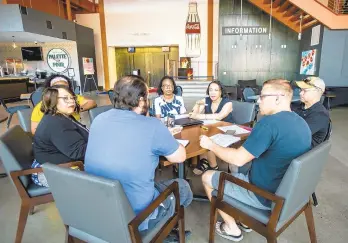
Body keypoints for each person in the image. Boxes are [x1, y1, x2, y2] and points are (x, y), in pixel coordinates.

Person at [200, 79, 311, 242]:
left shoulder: (268, 124)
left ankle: (231, 228)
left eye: (263, 96)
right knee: (238, 170)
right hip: (289, 194)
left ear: (278, 98)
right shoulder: (302, 123)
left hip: (263, 195)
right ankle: (245, 221)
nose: (258, 100)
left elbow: (238, 159)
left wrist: (211, 145)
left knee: (206, 177)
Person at [84, 75, 192, 240]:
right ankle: (161, 231)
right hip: (137, 218)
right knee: (183, 187)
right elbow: (180, 157)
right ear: (142, 100)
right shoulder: (152, 126)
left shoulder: (98, 120)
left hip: (99, 208)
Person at [32, 86, 89, 187]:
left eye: (72, 98)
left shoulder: (64, 116)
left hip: (63, 166)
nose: (71, 101)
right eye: (65, 98)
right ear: (52, 100)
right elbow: (78, 152)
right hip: (52, 173)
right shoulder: (55, 123)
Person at [190, 81, 233, 175]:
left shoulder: (228, 103)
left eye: (216, 90)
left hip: (226, 130)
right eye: (210, 90)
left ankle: (214, 167)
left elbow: (219, 116)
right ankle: (204, 161)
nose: (212, 93)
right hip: (212, 128)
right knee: (200, 135)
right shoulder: (206, 100)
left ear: (221, 91)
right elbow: (193, 115)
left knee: (208, 138)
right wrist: (197, 104)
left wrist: (201, 116)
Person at [31, 74, 96, 134]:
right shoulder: (41, 106)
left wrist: (78, 108)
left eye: (65, 87)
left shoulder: (73, 98)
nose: (71, 101)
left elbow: (92, 102)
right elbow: (35, 130)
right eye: (58, 88)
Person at [293, 77, 330, 147]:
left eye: (305, 90)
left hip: (303, 150)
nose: (300, 93)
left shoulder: (320, 115)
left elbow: (296, 135)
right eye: (301, 90)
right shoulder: (296, 104)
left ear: (317, 92)